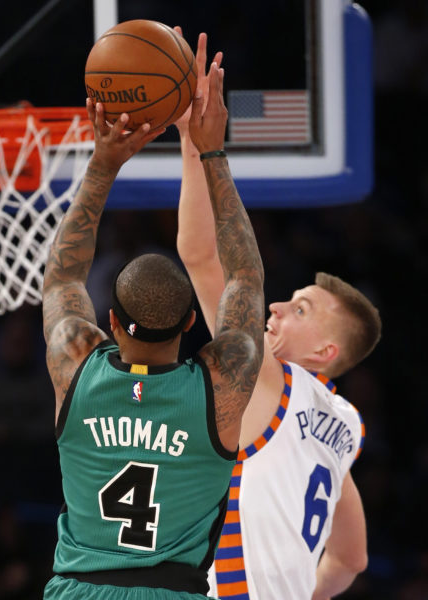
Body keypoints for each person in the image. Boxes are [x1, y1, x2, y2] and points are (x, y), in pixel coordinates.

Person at [41, 57, 265, 599]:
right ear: (192, 323)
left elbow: (62, 277)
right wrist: (209, 148)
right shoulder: (220, 384)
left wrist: (103, 164)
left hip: (78, 590)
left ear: (110, 321)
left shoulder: (75, 361)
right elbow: (245, 278)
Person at [175, 32, 382, 600]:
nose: (276, 306)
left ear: (325, 354)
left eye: (300, 309)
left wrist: (195, 146)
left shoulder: (276, 378)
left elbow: (200, 256)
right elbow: (351, 557)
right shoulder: (342, 429)